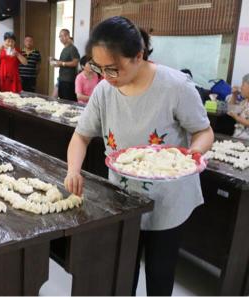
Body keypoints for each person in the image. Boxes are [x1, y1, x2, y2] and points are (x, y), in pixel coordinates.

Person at [63, 17, 214, 296]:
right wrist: (73, 169)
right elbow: (81, 136)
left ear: (138, 56)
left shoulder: (176, 87)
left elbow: (204, 132)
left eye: (114, 68)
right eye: (99, 68)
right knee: (122, 273)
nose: (106, 76)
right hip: (122, 199)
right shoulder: (104, 90)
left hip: (167, 202)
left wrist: (192, 155)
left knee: (159, 275)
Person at [50, 29, 80, 101]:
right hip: (62, 79)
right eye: (59, 36)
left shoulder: (72, 48)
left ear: (67, 36)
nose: (60, 38)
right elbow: (63, 62)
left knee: (68, 103)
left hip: (69, 81)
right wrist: (55, 61)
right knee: (62, 101)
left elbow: (75, 62)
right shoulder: (64, 49)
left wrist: (62, 63)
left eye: (61, 36)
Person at [227, 74, 249, 139]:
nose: (241, 87)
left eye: (243, 85)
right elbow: (231, 110)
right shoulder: (244, 102)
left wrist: (236, 117)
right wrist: (234, 95)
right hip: (237, 137)